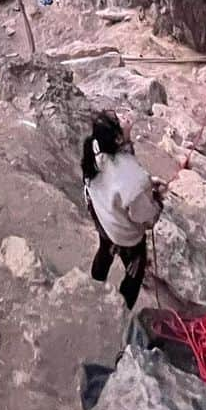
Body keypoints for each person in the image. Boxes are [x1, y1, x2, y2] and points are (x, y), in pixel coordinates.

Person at [81, 110, 163, 310]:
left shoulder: (96, 147)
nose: (125, 115)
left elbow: (115, 181)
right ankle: (123, 311)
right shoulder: (135, 180)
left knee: (104, 251)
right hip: (125, 237)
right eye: (120, 118)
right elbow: (146, 219)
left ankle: (95, 286)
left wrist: (144, 186)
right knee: (135, 273)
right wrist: (157, 200)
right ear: (118, 139)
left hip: (103, 218)